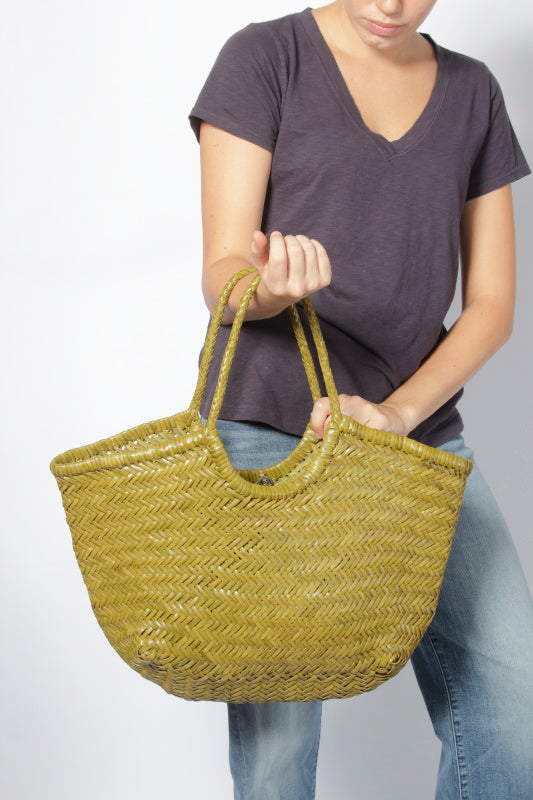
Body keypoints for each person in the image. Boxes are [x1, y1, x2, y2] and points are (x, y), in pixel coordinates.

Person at [188, 2, 533, 797]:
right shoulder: (265, 57)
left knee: (513, 698)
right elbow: (221, 272)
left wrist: (396, 415)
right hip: (266, 427)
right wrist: (269, 290)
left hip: (413, 436)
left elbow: (490, 306)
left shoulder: (473, 92)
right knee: (278, 748)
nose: (391, 5)